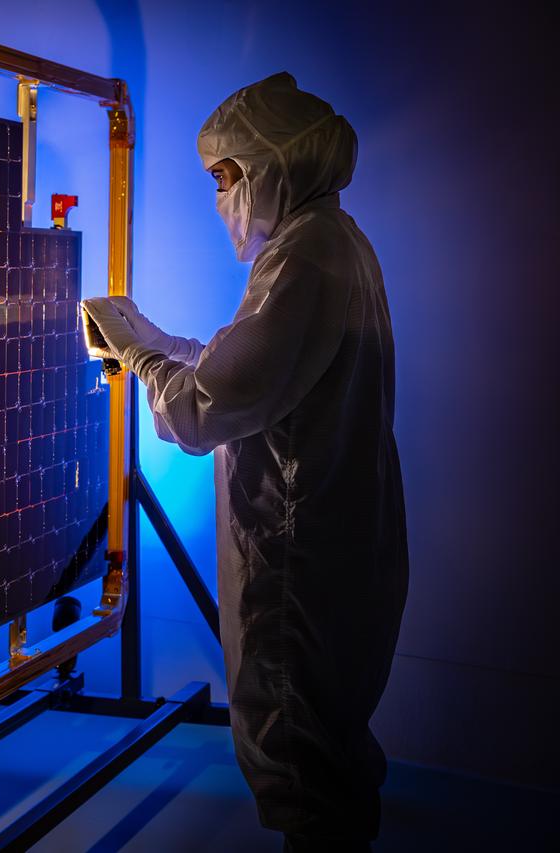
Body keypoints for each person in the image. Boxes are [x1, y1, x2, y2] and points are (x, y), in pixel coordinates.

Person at [82, 72, 408, 853]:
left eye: (224, 178)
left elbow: (203, 412)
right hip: (341, 547)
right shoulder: (334, 243)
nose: (219, 197)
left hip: (299, 563)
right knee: (330, 758)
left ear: (270, 166)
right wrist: (159, 340)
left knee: (303, 762)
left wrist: (138, 355)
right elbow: (261, 372)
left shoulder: (305, 260)